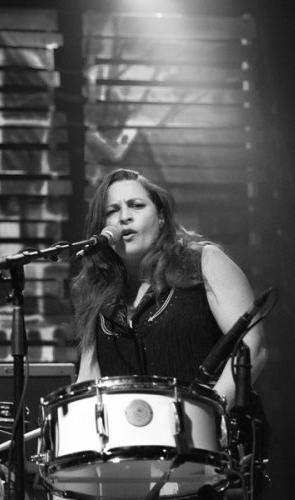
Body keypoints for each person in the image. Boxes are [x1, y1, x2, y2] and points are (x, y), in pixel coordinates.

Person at [71, 168, 267, 407]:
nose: (124, 217)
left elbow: (252, 346)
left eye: (136, 205)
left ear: (161, 217)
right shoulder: (96, 293)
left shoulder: (203, 262)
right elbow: (89, 380)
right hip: (135, 429)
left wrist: (209, 410)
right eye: (112, 211)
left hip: (214, 426)